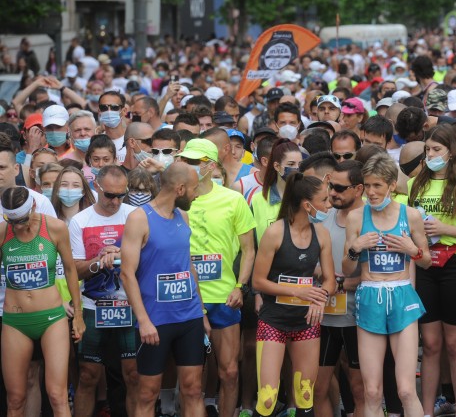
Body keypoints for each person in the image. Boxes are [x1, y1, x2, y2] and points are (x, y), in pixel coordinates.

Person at [343, 154, 431, 417]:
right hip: (370, 296)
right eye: (367, 185)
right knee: (372, 391)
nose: (370, 192)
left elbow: (426, 261)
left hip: (402, 295)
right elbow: (347, 269)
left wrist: (411, 249)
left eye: (377, 186)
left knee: (405, 390)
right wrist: (355, 249)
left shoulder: (411, 215)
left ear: (392, 185)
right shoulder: (356, 218)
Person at [119, 163, 209, 417]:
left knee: (192, 389)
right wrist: (143, 320)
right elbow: (127, 273)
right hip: (155, 321)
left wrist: (201, 312)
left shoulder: (183, 216)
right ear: (179, 188)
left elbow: (188, 265)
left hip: (189, 317)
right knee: (147, 392)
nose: (197, 194)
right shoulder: (139, 218)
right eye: (193, 189)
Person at [176, 138, 256, 417]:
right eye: (184, 160)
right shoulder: (176, 201)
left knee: (230, 372)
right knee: (191, 381)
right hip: (184, 298)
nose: (186, 166)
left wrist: (240, 287)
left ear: (209, 166)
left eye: (193, 162)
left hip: (223, 297)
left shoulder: (233, 199)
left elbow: (249, 249)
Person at [407, 125, 456, 417]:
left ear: (451, 152)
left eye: (436, 150)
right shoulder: (417, 184)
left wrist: (445, 229)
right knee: (431, 344)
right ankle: (426, 410)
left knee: (455, 343)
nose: (430, 155)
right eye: (427, 150)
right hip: (424, 264)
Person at [251, 173, 336, 417]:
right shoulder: (275, 232)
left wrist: (319, 296)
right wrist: (298, 291)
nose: (328, 205)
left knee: (305, 394)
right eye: (324, 200)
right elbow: (258, 281)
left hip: (306, 322)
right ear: (306, 204)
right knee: (267, 399)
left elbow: (329, 280)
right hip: (274, 319)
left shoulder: (321, 234)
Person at [1, 186, 85, 417]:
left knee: (57, 395)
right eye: (12, 220)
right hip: (16, 320)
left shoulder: (55, 227)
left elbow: (70, 270)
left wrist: (78, 315)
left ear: (34, 207)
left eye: (23, 219)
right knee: (15, 399)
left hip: (51, 318)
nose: (18, 226)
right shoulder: (2, 232)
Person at [70, 165, 139, 417]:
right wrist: (98, 262)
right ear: (96, 187)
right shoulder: (80, 220)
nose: (116, 201)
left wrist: (124, 253)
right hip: (93, 306)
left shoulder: (135, 215)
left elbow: (149, 258)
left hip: (129, 305)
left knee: (133, 375)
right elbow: (75, 269)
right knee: (88, 376)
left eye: (122, 195)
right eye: (110, 195)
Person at [314, 160, 366, 417]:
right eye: (330, 185)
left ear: (358, 189)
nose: (332, 192)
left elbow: (385, 273)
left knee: (360, 389)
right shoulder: (322, 219)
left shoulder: (372, 218)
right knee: (317, 388)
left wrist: (345, 283)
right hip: (324, 316)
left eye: (339, 188)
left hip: (360, 317)